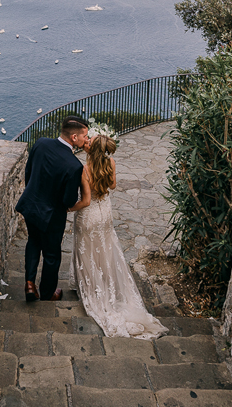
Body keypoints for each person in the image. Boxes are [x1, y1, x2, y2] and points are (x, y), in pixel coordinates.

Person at [68, 134, 167, 338]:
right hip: (105, 214)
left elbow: (85, 202)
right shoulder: (110, 162)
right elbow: (112, 186)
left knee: (87, 253)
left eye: (88, 142)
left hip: (88, 216)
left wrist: (68, 209)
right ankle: (107, 285)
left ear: (91, 150)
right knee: (105, 251)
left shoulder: (84, 169)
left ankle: (92, 289)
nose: (86, 143)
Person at [16, 115, 89, 302]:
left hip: (31, 205)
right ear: (74, 138)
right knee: (51, 254)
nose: (85, 140)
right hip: (52, 216)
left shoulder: (41, 143)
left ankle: (30, 284)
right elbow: (68, 200)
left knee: (33, 242)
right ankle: (48, 293)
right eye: (84, 136)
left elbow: (28, 173)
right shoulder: (74, 166)